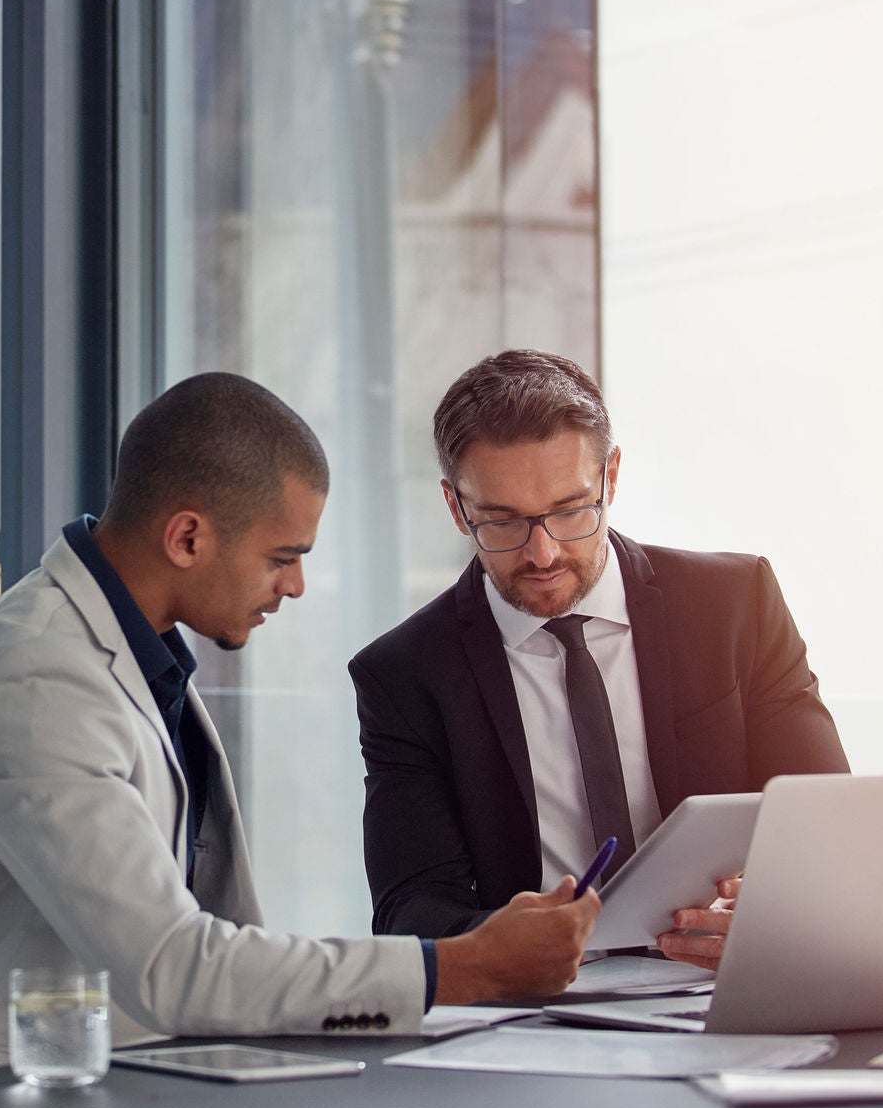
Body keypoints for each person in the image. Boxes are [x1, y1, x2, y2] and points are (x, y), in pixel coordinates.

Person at [0, 373, 598, 1075]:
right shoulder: (36, 679)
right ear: (186, 536)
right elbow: (172, 965)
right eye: (282, 557)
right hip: (33, 1106)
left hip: (154, 1073)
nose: (294, 585)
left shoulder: (132, 656)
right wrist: (462, 967)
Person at [352, 350, 848, 971]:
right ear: (457, 508)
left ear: (611, 477)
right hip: (538, 1009)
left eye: (569, 509)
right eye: (502, 521)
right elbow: (409, 907)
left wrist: (776, 911)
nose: (543, 552)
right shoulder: (404, 675)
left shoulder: (734, 604)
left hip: (728, 983)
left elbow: (832, 824)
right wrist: (501, 944)